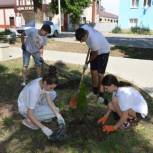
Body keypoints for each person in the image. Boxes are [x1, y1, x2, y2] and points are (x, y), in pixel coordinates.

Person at [17, 65, 65, 139]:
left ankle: (41, 114)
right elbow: (29, 113)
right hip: (25, 109)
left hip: (33, 101)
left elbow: (49, 101)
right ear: (45, 83)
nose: (52, 89)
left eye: (53, 87)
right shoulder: (34, 90)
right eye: (51, 87)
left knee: (53, 95)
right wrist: (44, 128)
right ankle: (28, 121)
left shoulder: (42, 81)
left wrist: (59, 116)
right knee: (54, 111)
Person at [75, 24, 110, 103]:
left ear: (85, 35)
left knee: (100, 74)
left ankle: (101, 94)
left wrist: (87, 62)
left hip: (103, 52)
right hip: (95, 50)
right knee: (93, 72)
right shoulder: (83, 28)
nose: (81, 42)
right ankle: (94, 92)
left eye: (81, 40)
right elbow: (84, 25)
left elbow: (95, 54)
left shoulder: (93, 40)